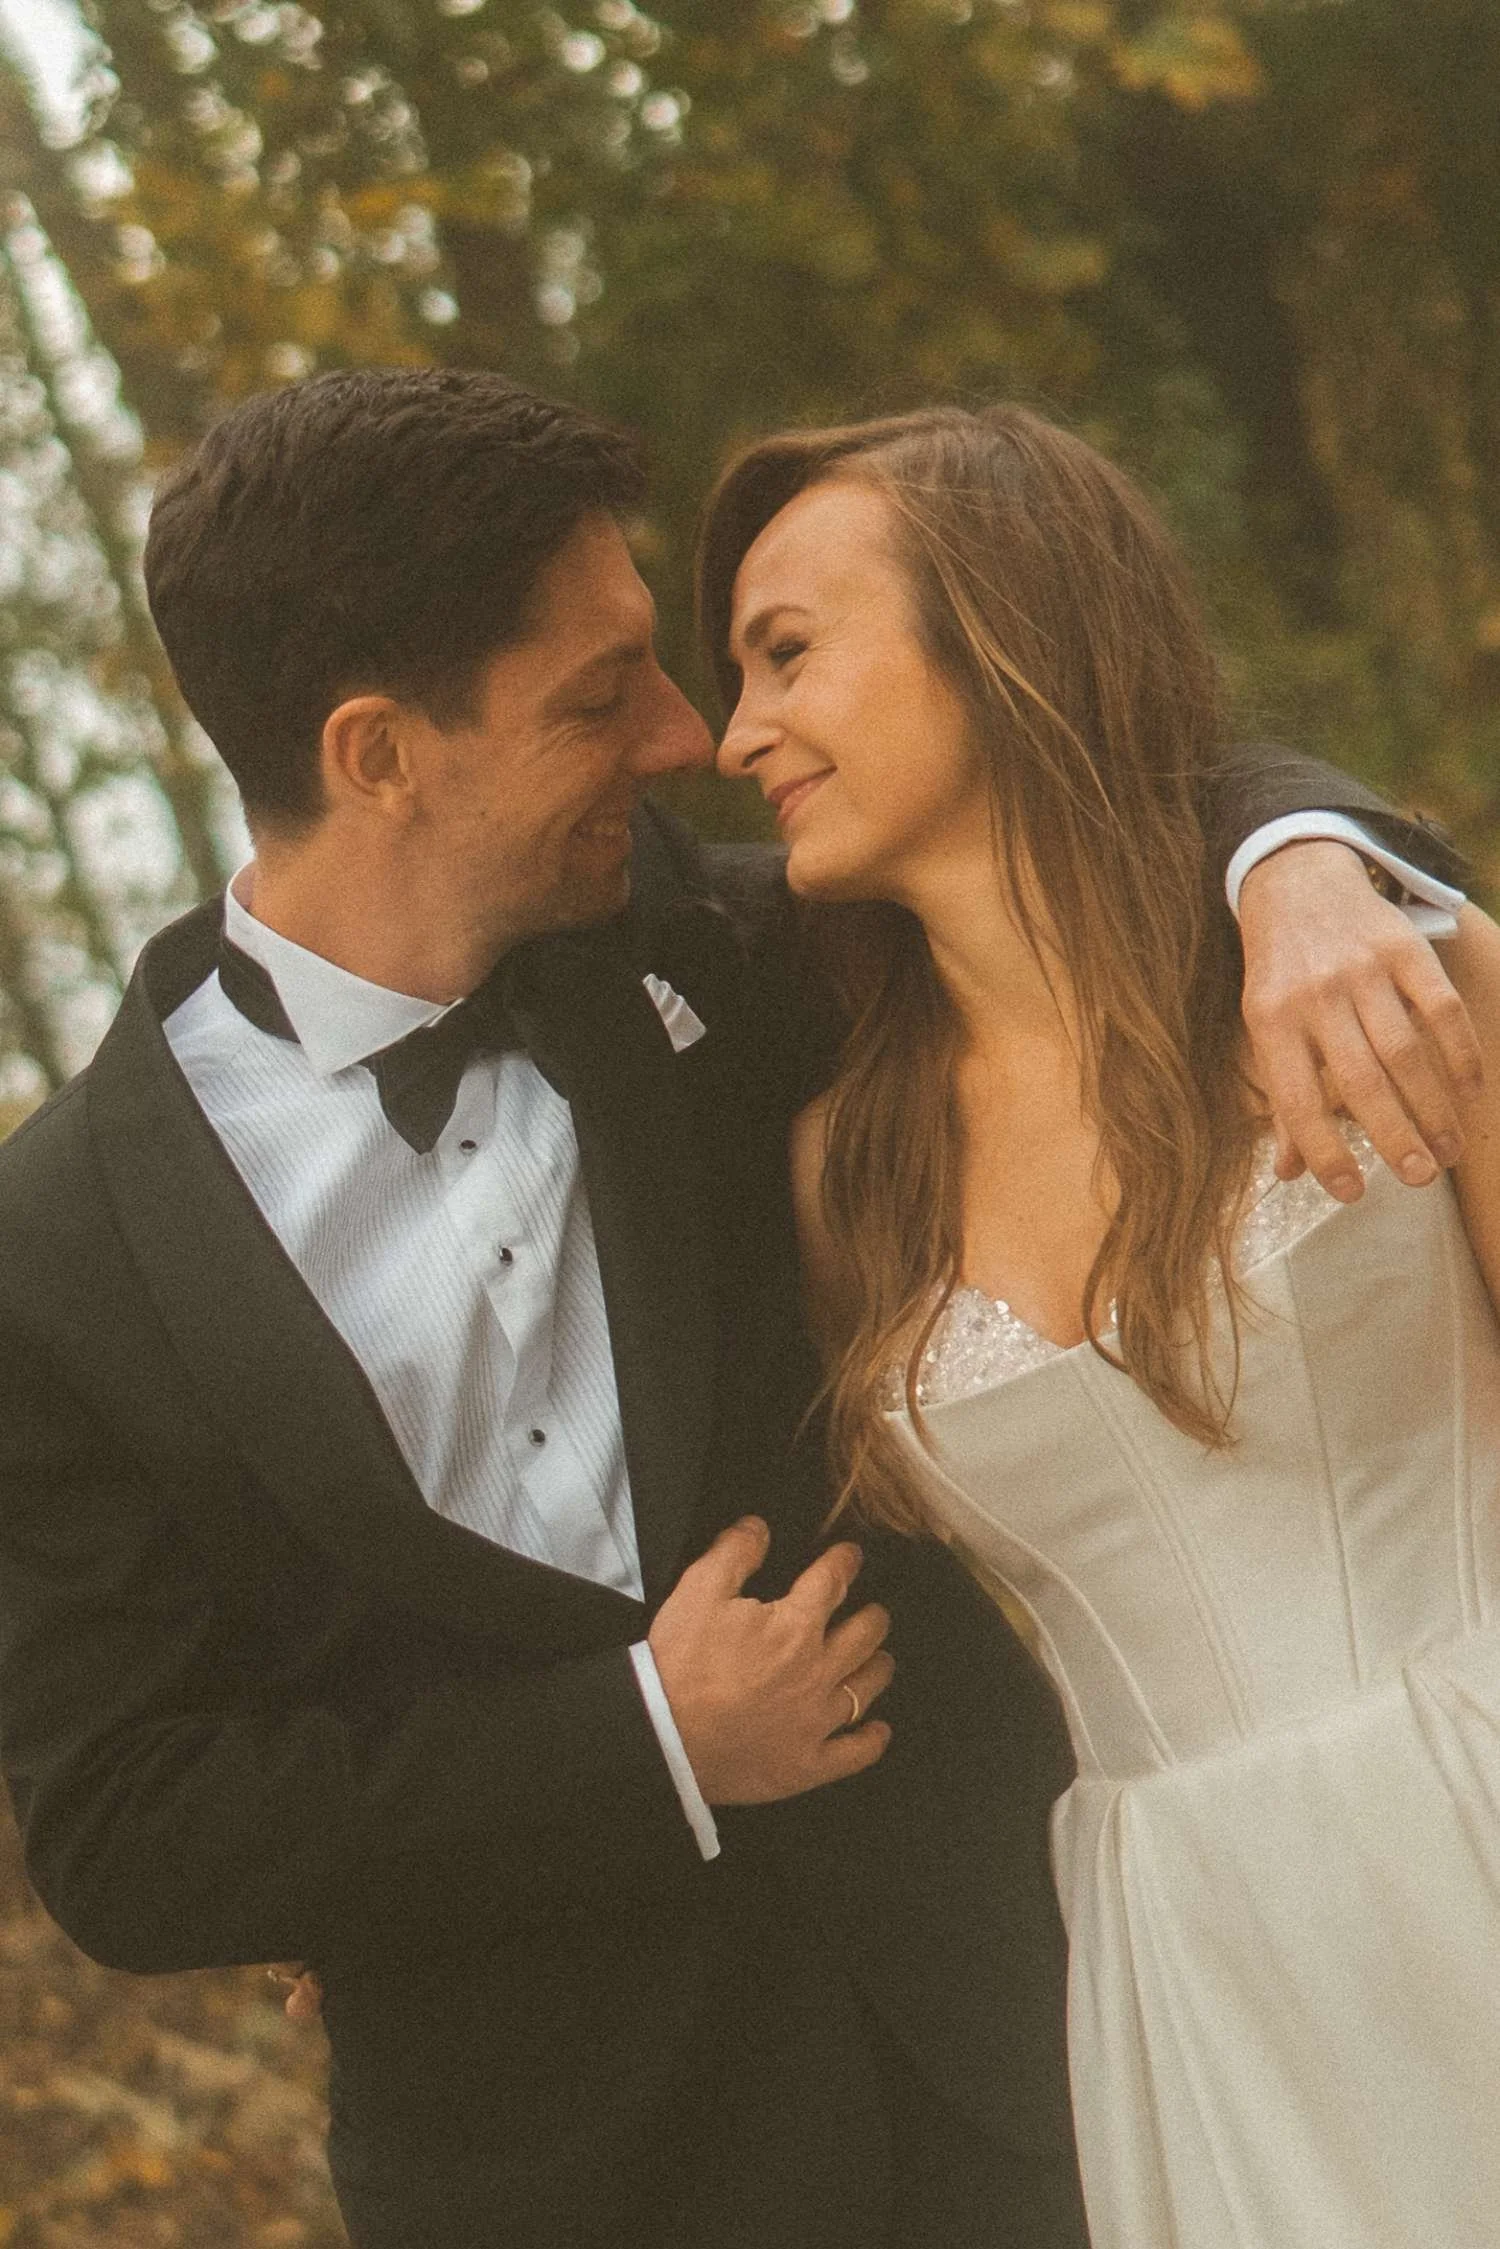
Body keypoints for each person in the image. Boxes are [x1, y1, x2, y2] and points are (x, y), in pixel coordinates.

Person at [0, 370, 1470, 2249]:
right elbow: (134, 1832)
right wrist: (638, 1742)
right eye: (601, 695)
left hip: (1034, 2062)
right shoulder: (60, 1253)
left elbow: (1058, 779)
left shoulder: (719, 954)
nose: (690, 736)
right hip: (567, 2177)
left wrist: (1306, 863)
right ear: (379, 755)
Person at [705, 400, 1500, 2248]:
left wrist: (1300, 853)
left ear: (999, 628)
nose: (738, 735)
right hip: (1193, 1952)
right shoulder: (850, 1174)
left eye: (789, 655)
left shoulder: (1397, 974)